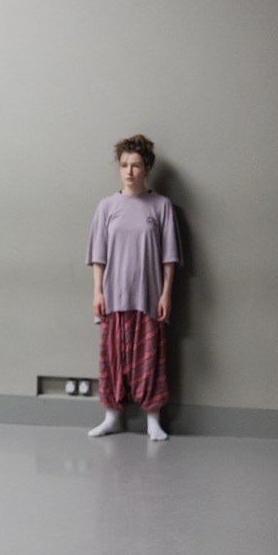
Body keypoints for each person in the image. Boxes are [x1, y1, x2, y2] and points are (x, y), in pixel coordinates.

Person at [86, 135, 182, 441]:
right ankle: (112, 418)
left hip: (148, 296)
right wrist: (97, 292)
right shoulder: (106, 207)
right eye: (124, 164)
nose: (129, 171)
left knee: (150, 358)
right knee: (112, 359)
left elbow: (169, 257)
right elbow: (98, 255)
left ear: (147, 168)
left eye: (136, 165)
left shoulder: (161, 206)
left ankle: (154, 420)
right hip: (113, 296)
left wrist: (166, 293)